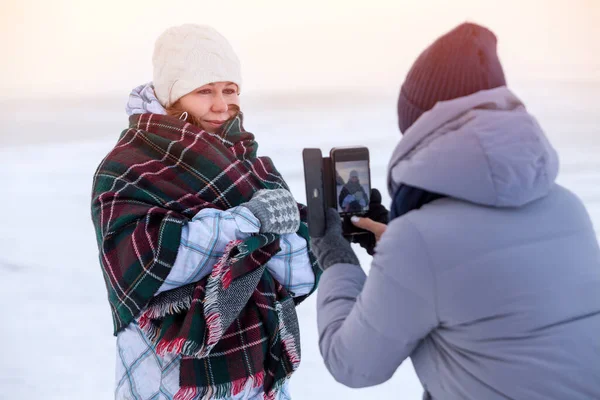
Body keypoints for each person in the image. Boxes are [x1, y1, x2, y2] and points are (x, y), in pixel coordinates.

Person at [312, 22, 600, 400]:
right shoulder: (567, 207)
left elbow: (350, 363)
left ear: (421, 126)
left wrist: (336, 259)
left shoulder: (419, 242)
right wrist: (395, 243)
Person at [91, 24, 320, 400]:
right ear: (171, 95)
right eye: (204, 90)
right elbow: (152, 268)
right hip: (165, 380)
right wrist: (251, 222)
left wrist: (277, 233)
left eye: (229, 90)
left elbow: (299, 277)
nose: (220, 105)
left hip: (259, 382)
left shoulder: (250, 165)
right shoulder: (127, 168)